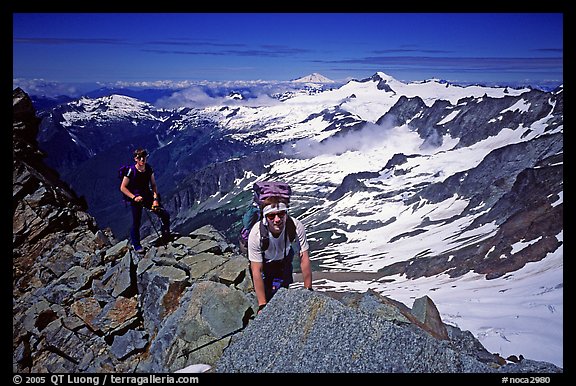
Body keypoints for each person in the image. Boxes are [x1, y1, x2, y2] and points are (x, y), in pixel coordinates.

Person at [247, 196, 312, 314]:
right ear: (265, 218)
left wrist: (308, 289)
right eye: (272, 216)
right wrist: (262, 305)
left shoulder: (296, 227)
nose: (277, 219)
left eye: (281, 214)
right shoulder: (256, 234)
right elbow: (257, 269)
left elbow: (304, 257)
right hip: (265, 262)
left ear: (286, 214)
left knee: (283, 292)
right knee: (267, 293)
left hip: (284, 260)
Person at [120, 148, 171, 253]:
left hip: (147, 196)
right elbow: (123, 187)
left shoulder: (148, 168)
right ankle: (137, 245)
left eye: (144, 157)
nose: (142, 159)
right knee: (136, 222)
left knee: (164, 214)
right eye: (140, 157)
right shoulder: (131, 171)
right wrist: (134, 197)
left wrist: (155, 199)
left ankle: (165, 234)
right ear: (135, 159)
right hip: (136, 199)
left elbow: (153, 185)